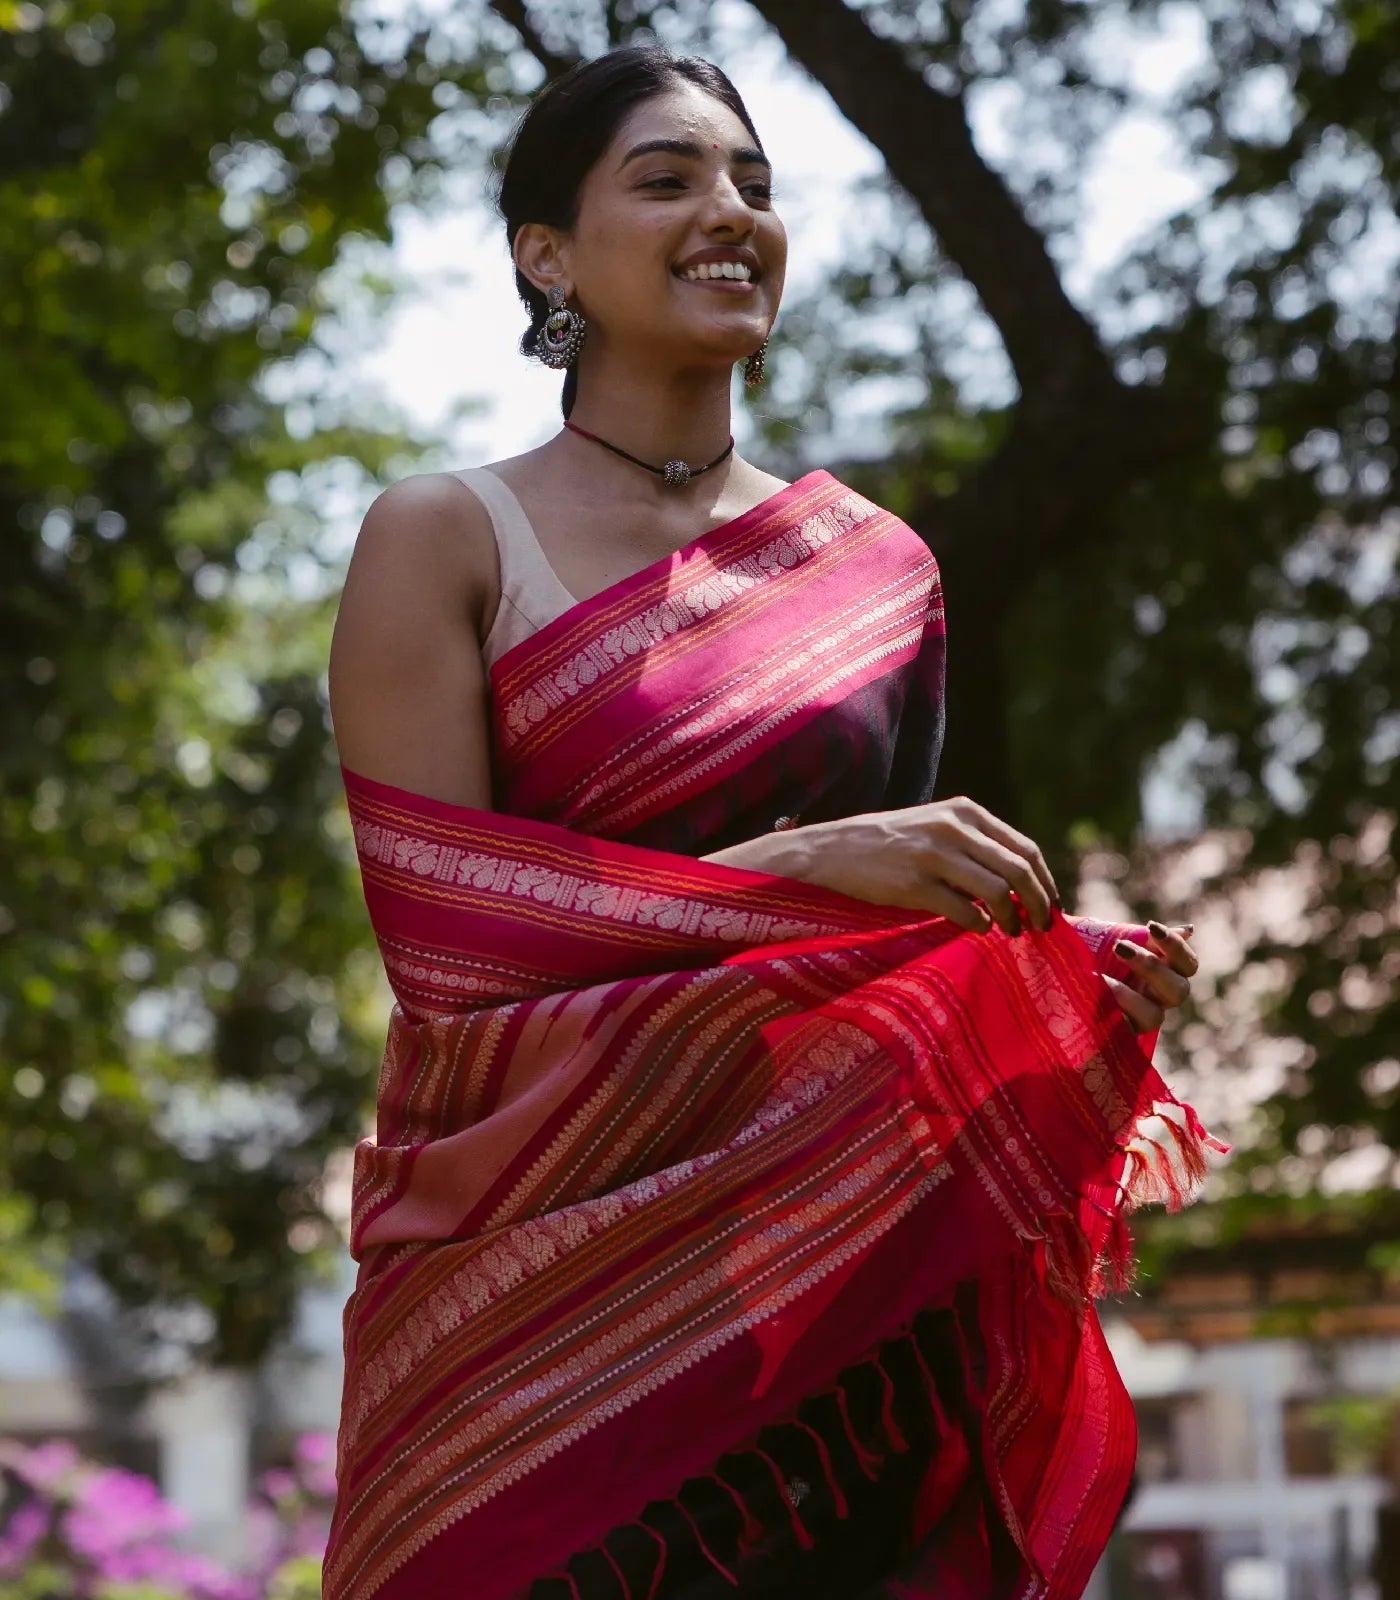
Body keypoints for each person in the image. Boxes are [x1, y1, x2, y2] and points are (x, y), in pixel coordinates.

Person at [322, 44, 1215, 1600]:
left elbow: (878, 959)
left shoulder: (876, 569)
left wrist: (1053, 996)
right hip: (528, 1323)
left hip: (822, 1321)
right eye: (665, 179)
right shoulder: (447, 537)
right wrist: (800, 870)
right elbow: (457, 971)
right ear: (547, 253)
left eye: (753, 183)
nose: (727, 209)